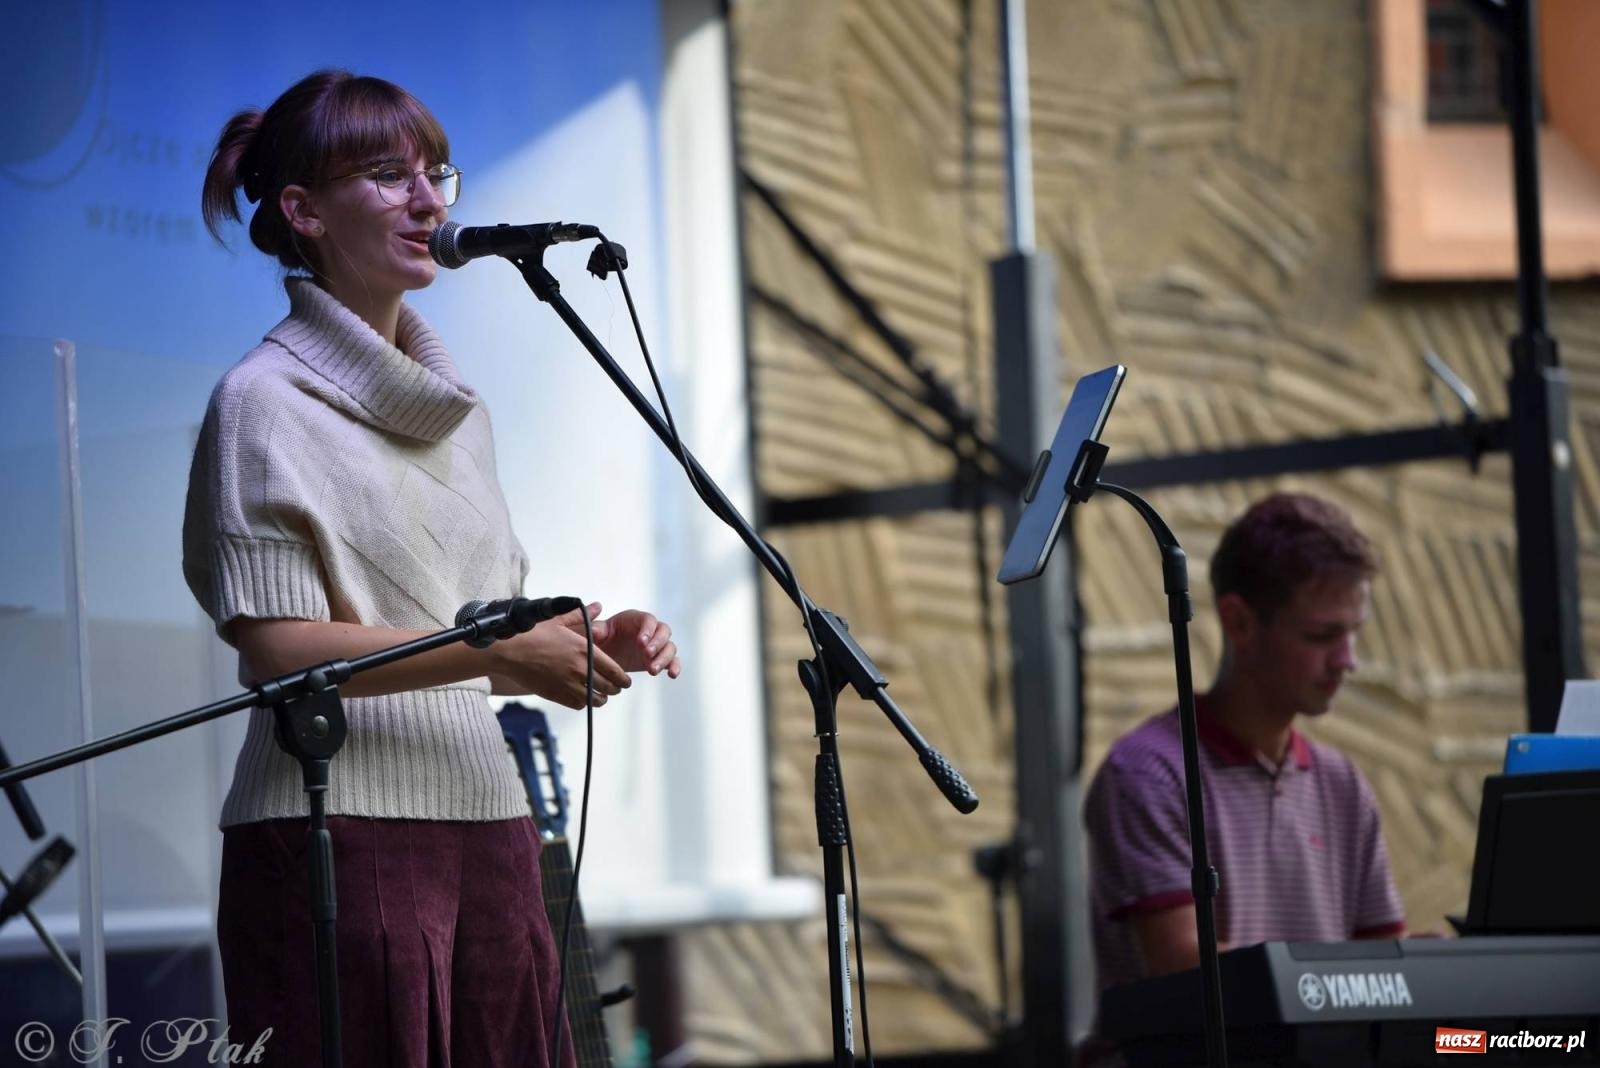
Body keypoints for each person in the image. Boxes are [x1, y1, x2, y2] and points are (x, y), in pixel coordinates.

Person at [185, 69, 681, 1067]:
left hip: (490, 826)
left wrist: (576, 646)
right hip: (339, 833)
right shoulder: (260, 400)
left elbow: (455, 629)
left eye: (437, 174)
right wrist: (502, 651)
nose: (429, 202)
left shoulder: (463, 417)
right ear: (302, 211)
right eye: (385, 174)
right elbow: (278, 652)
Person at [1083, 492, 1405, 994]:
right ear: (1239, 623)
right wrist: (1372, 968)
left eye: (1353, 634)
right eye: (1322, 636)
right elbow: (1185, 973)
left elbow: (1386, 971)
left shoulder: (1343, 785)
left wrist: (1426, 967)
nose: (1347, 660)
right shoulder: (1149, 773)